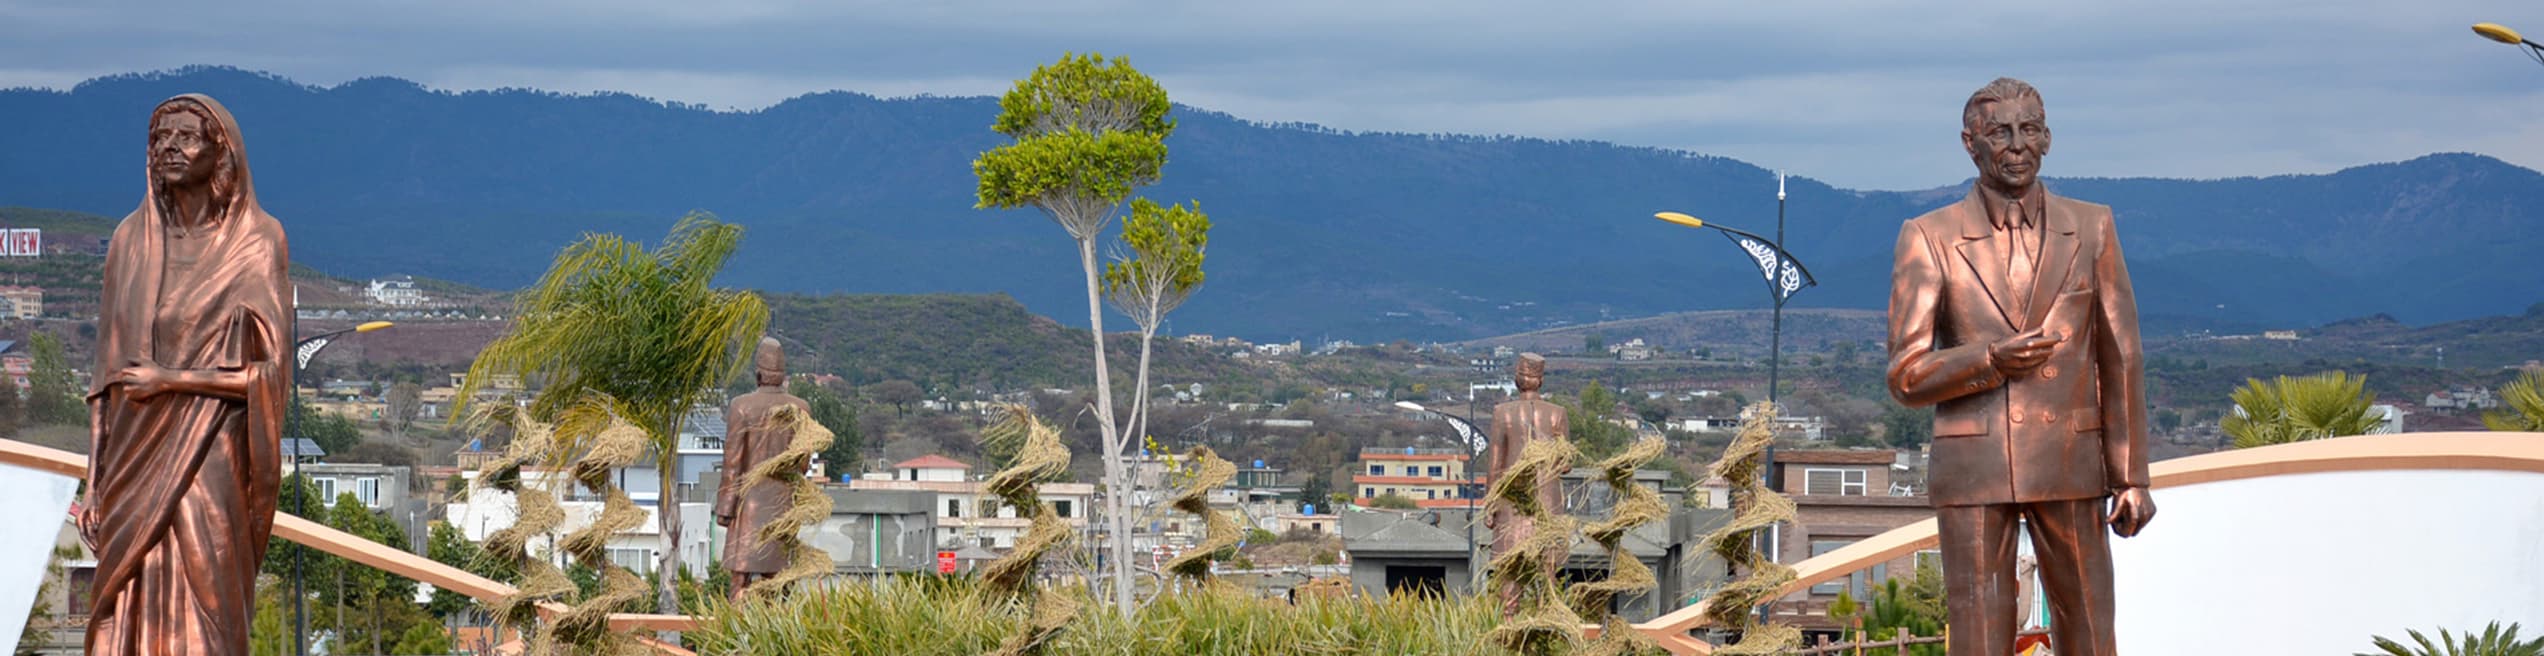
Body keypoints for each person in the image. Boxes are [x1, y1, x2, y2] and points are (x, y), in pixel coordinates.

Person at [1885, 77, 2156, 656]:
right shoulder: (1929, 237)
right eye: (1999, 132)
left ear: (2048, 137)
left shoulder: (2092, 226)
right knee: (1979, 636)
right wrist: (1988, 360)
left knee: (2089, 626)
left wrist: (2131, 475)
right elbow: (1906, 375)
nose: (2016, 145)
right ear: (1970, 143)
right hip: (1975, 465)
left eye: (2029, 130)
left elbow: (2122, 356)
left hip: (2070, 458)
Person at [82, 94, 292, 656]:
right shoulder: (131, 241)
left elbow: (270, 378)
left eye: (185, 137)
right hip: (131, 457)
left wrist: (172, 381)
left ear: (220, 152)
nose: (168, 148)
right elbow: (106, 379)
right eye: (159, 139)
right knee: (125, 599)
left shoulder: (257, 241)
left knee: (211, 607)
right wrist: (94, 482)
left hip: (213, 456)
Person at [715, 337, 811, 597]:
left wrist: (725, 509)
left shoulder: (741, 406)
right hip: (783, 503)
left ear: (758, 374)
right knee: (780, 578)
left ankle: (733, 629)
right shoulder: (801, 408)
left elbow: (732, 463)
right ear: (782, 375)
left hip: (749, 503)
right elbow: (803, 463)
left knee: (740, 577)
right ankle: (777, 632)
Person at [1486, 353, 1568, 613]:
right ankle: (1549, 621)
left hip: (1512, 503)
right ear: (1541, 381)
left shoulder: (1502, 413)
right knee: (1548, 570)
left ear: (1516, 380)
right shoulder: (1557, 414)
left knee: (1511, 569)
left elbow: (1495, 466)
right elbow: (1566, 464)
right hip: (1547, 504)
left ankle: (1508, 625)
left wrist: (1490, 505)